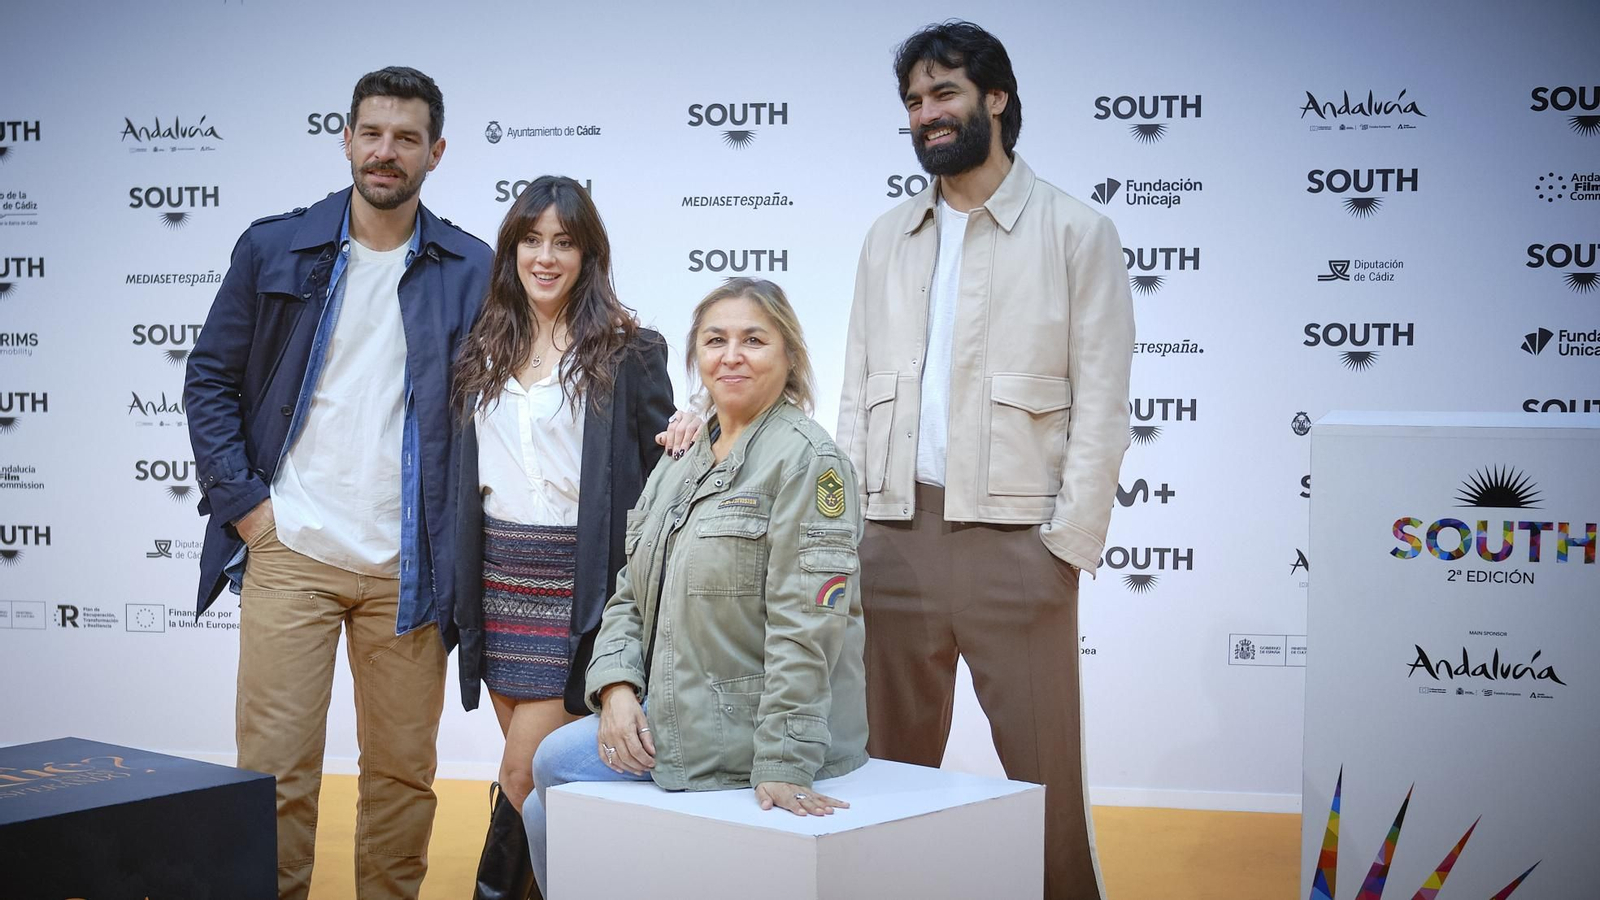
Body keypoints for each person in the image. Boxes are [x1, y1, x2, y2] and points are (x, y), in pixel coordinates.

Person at [835, 21, 1135, 900]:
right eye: (915, 102)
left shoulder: (1078, 231)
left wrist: (1065, 547)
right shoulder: (887, 236)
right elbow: (855, 396)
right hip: (891, 538)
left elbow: (1104, 403)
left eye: (945, 94)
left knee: (1045, 788)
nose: (929, 115)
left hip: (1019, 544)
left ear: (995, 99)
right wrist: (848, 527)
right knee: (882, 780)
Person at [184, 67, 492, 899]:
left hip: (412, 566)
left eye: (405, 138)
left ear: (436, 151)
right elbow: (209, 378)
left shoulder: (472, 266)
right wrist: (247, 508)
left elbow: (525, 380)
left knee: (401, 778)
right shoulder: (273, 246)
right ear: (347, 137)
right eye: (372, 133)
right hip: (293, 550)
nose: (385, 152)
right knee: (275, 774)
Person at [520, 277, 868, 895]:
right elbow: (629, 590)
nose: (731, 355)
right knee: (542, 807)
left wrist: (784, 761)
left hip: (750, 719)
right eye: (715, 340)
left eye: (753, 340)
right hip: (678, 700)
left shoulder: (810, 462)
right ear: (697, 356)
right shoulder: (681, 455)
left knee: (550, 765)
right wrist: (618, 691)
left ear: (789, 356)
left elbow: (808, 626)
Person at [447, 175, 682, 900]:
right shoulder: (480, 345)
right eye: (532, 239)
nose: (545, 257)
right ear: (512, 249)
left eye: (564, 243)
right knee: (535, 779)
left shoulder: (629, 348)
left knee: (525, 771)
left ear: (588, 256)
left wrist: (693, 435)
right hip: (498, 581)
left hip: (579, 591)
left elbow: (663, 463)